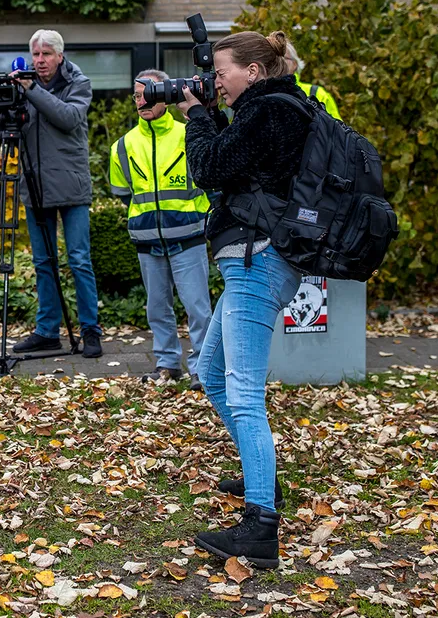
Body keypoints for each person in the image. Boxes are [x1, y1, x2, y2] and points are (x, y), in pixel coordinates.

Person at [178, 30, 311, 569]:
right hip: (252, 262)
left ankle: (260, 529)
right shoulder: (274, 110)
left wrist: (196, 115)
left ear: (253, 71)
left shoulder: (270, 113)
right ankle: (264, 478)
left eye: (224, 71)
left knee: (245, 395)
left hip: (258, 263)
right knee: (212, 375)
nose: (217, 82)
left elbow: (207, 167)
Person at [0, 29, 103, 359]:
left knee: (79, 260)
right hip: (34, 184)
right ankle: (48, 331)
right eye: (35, 54)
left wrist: (32, 90)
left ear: (60, 56)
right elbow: (6, 135)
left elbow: (68, 118)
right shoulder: (22, 83)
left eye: (46, 54)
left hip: (71, 185)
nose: (39, 60)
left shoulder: (78, 82)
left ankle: (90, 330)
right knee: (43, 263)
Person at [108, 69, 211, 388]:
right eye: (137, 95)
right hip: (147, 242)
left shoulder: (188, 135)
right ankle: (167, 363)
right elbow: (124, 193)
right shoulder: (122, 147)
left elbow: (209, 180)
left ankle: (202, 367)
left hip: (189, 237)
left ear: (166, 96)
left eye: (149, 93)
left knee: (198, 308)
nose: (142, 101)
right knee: (157, 308)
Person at [282, 42, 341, 120]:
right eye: (273, 59)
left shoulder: (317, 93)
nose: (278, 62)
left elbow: (337, 129)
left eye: (283, 58)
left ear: (294, 64)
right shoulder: (263, 92)